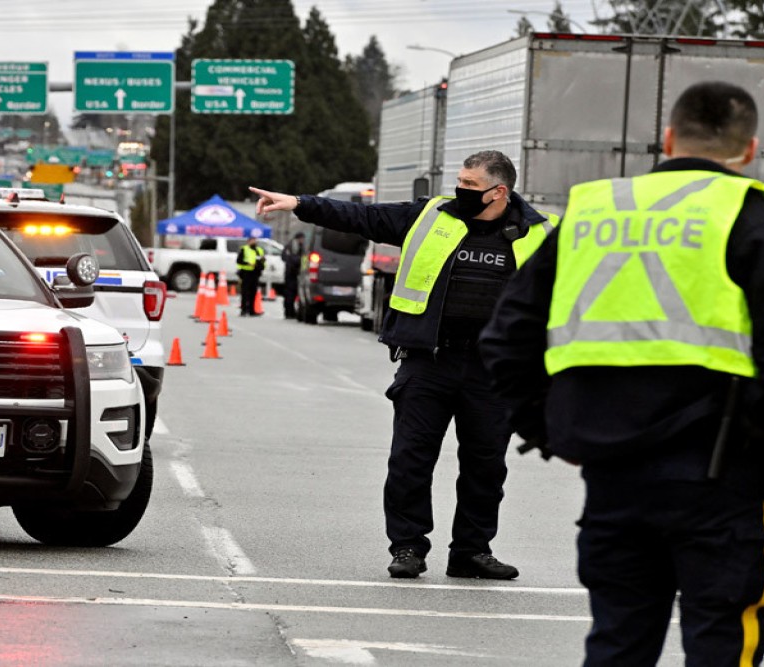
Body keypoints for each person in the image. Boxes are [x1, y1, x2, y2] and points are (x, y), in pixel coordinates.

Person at [479, 81, 764, 664]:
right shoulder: (752, 216)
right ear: (750, 149)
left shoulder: (593, 211)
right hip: (723, 478)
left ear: (668, 139)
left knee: (618, 641)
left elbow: (507, 338)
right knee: (723, 638)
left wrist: (549, 430)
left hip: (612, 472)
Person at [250, 151, 559, 580]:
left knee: (486, 467)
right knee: (409, 460)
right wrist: (301, 204)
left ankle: (471, 552)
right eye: (460, 181)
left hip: (494, 371)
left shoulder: (542, 233)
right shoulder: (430, 216)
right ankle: (408, 546)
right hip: (430, 361)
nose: (460, 190)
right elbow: (362, 217)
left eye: (470, 185)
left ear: (499, 191)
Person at [236, 236, 266, 316]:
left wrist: (261, 264)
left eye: (255, 240)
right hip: (246, 273)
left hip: (255, 273)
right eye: (252, 241)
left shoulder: (259, 250)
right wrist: (248, 263)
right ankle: (243, 310)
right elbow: (239, 261)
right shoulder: (244, 249)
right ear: (248, 241)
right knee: (245, 292)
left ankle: (252, 310)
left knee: (253, 292)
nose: (254, 242)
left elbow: (262, 261)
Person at [282, 232, 306, 319]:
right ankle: (289, 312)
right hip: (291, 273)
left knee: (295, 294)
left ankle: (293, 311)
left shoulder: (302, 247)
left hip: (298, 273)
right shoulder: (290, 246)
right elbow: (285, 257)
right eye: (301, 238)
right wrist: (299, 260)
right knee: (290, 294)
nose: (303, 240)